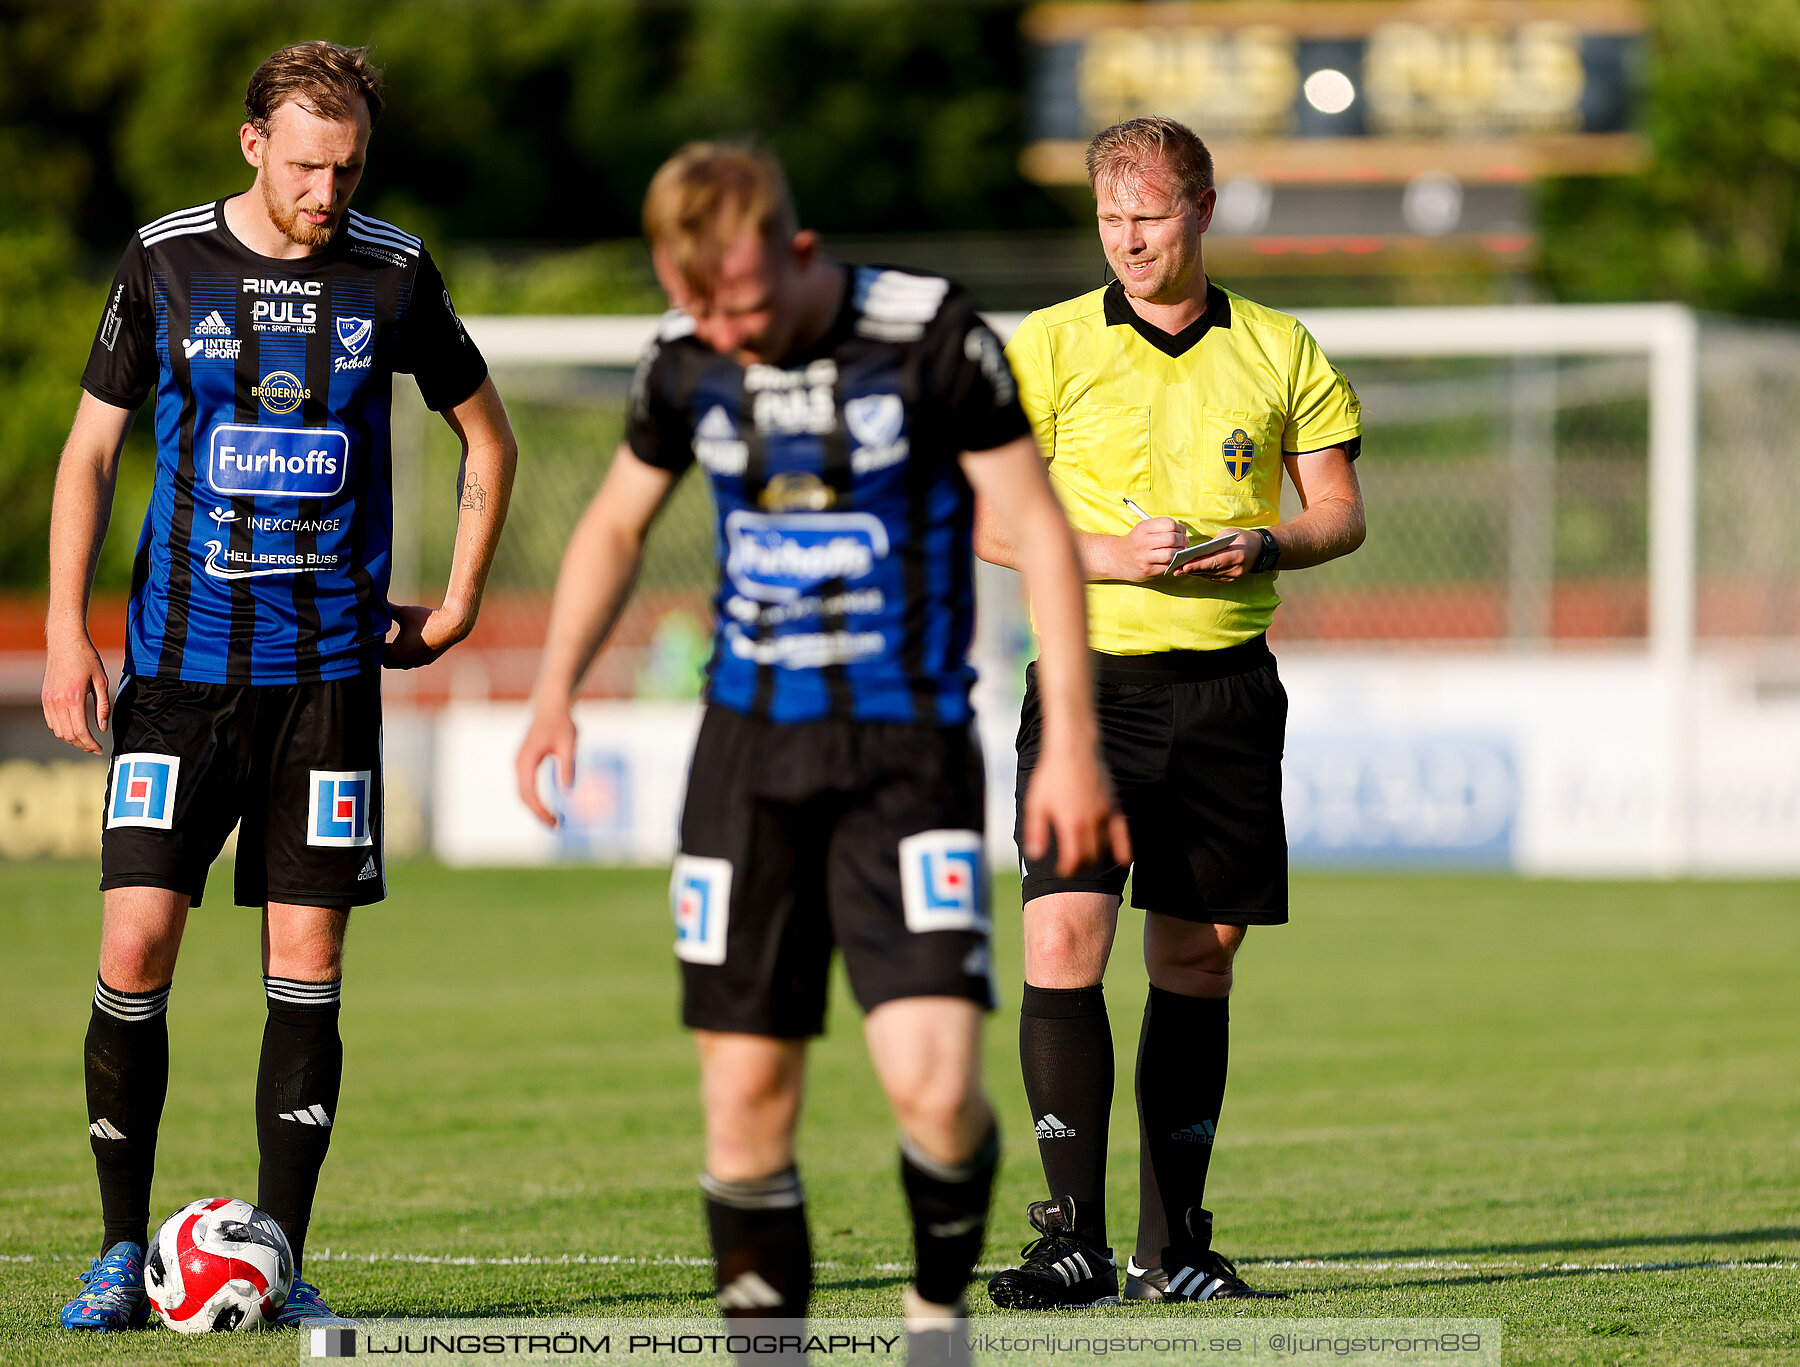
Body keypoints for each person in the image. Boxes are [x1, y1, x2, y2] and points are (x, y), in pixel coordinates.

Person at [514, 143, 1125, 1362]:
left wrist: (1074, 746)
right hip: (746, 762)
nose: (728, 332)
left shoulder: (933, 336)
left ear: (797, 253)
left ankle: (935, 1314)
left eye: (743, 304)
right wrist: (551, 691)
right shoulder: (683, 360)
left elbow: (1044, 538)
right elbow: (616, 524)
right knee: (744, 1100)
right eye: (700, 308)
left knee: (938, 1092)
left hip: (907, 754)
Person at [43, 41, 516, 1330]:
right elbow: (92, 452)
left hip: (324, 686)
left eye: (347, 165)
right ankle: (113, 1248)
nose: (326, 189)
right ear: (254, 143)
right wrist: (62, 630)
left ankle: (281, 1252)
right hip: (178, 678)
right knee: (134, 944)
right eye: (307, 164)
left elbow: (487, 430)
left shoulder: (394, 268)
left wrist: (463, 596)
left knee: (304, 968)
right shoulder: (164, 259)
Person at [977, 116, 1366, 1308]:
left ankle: (1173, 1246)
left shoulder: (1281, 346)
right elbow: (978, 515)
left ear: (1202, 207)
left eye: (1147, 216)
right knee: (1060, 935)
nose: (1127, 239)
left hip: (1229, 691)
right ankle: (1071, 1238)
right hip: (1091, 686)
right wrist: (1103, 556)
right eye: (1109, 218)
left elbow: (1340, 511)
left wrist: (1269, 539)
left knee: (1196, 959)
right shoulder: (1043, 347)